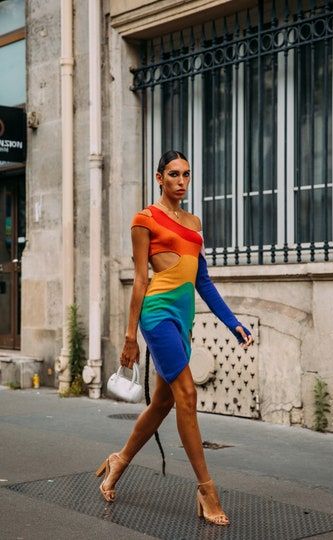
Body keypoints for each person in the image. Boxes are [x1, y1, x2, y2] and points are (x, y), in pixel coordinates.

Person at [96, 150, 254, 526]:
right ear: (159, 178)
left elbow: (203, 282)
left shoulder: (195, 223)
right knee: (187, 393)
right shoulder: (145, 220)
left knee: (162, 403)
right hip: (156, 314)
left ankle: (118, 461)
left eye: (186, 175)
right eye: (173, 175)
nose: (181, 182)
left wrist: (233, 323)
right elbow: (139, 280)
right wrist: (129, 336)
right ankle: (206, 488)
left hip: (183, 319)